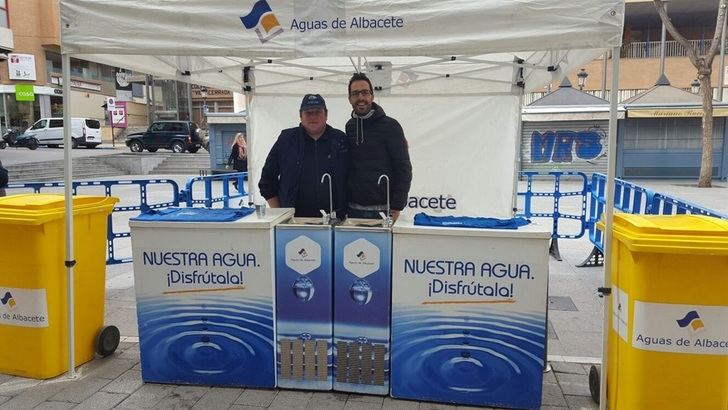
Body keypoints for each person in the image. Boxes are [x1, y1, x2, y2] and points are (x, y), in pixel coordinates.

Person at [258, 94, 348, 218]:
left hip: (335, 220)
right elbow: (266, 180)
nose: (313, 116)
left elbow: (352, 177)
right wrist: (280, 214)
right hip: (294, 222)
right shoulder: (286, 140)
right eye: (308, 113)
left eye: (318, 112)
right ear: (300, 116)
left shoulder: (340, 139)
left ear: (326, 114)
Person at [346, 72, 412, 221]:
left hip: (384, 210)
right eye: (355, 94)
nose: (361, 98)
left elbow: (404, 168)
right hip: (354, 209)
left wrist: (397, 206)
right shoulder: (350, 126)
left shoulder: (391, 126)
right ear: (350, 98)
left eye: (365, 92)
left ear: (372, 95)